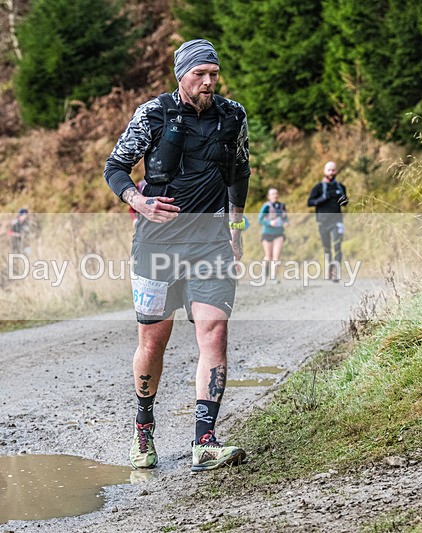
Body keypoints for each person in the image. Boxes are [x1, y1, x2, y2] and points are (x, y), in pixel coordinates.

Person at [104, 38, 250, 472]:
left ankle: (204, 440)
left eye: (214, 75)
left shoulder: (233, 115)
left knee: (214, 330)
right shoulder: (154, 114)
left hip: (210, 243)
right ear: (181, 74)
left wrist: (237, 226)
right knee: (153, 340)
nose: (208, 82)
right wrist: (139, 200)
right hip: (157, 243)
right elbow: (115, 166)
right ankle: (143, 427)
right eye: (200, 74)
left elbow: (239, 171)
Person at [307, 161, 348, 281]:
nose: (331, 172)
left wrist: (344, 200)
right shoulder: (318, 187)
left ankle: (336, 272)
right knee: (327, 248)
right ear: (325, 171)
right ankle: (329, 269)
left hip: (337, 220)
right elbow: (310, 202)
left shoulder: (341, 187)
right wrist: (322, 199)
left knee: (337, 245)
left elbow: (344, 203)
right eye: (329, 170)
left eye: (333, 170)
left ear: (336, 171)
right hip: (323, 222)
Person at [258, 188, 289, 283]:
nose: (275, 195)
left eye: (276, 193)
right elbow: (260, 220)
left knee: (276, 256)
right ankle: (264, 273)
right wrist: (270, 223)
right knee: (268, 256)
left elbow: (285, 217)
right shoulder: (266, 207)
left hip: (279, 233)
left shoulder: (282, 206)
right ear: (269, 196)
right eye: (272, 194)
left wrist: (286, 222)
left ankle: (273, 277)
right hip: (267, 233)